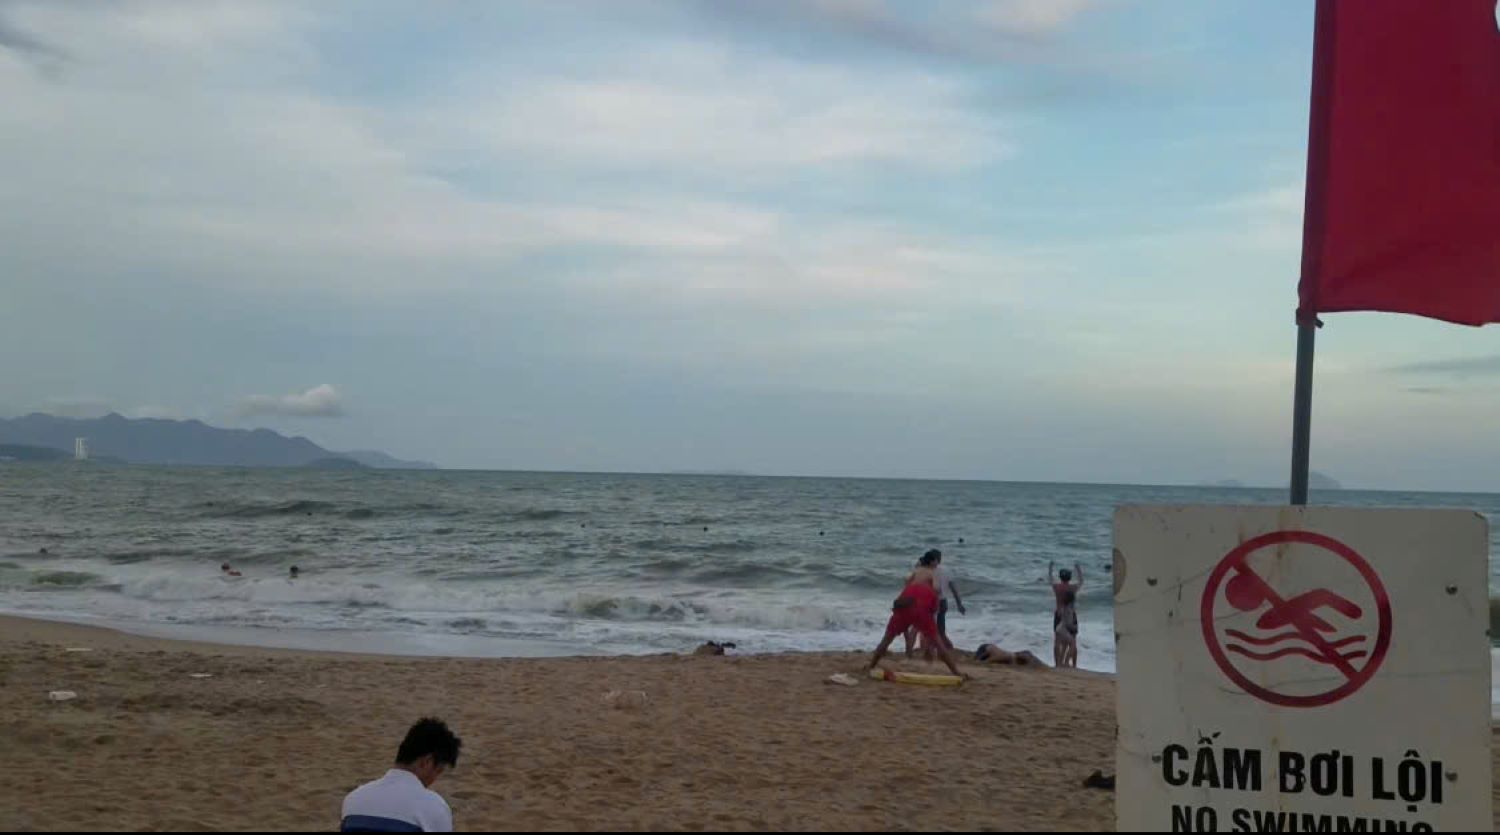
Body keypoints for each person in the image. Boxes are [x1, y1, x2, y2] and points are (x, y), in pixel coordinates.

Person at [341, 718, 461, 833]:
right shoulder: (434, 806)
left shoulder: (353, 800)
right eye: (438, 771)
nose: (434, 779)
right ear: (426, 762)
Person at [868, 554, 967, 679]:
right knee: (937, 641)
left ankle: (871, 665)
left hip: (905, 599)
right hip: (922, 600)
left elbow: (907, 583)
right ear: (932, 562)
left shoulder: (916, 571)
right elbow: (936, 589)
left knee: (887, 639)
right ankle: (956, 672)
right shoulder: (932, 573)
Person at [930, 549, 966, 650]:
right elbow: (954, 589)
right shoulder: (946, 570)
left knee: (931, 629)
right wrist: (959, 604)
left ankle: (936, 648)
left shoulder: (929, 570)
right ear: (939, 559)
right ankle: (948, 648)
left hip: (932, 602)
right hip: (943, 602)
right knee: (941, 631)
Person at [1054, 588, 1079, 668]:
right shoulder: (1069, 609)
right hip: (1063, 629)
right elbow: (1068, 623)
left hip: (1059, 628)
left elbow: (1061, 616)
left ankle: (1060, 663)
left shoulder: (1064, 607)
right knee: (1072, 644)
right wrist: (1074, 627)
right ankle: (1066, 662)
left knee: (1064, 645)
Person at [974, 644, 1047, 668]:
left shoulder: (1009, 656)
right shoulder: (1006, 656)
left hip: (988, 647)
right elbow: (988, 659)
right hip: (987, 648)